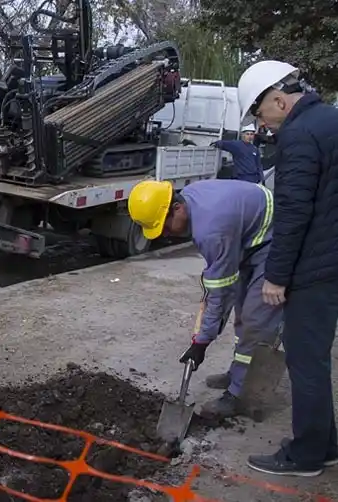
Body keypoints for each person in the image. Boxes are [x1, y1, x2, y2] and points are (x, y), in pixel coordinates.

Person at [236, 60, 338, 477]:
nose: (262, 124)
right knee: (315, 357)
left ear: (279, 100)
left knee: (306, 360)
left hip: (317, 264)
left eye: (260, 114)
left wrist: (276, 276)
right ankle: (326, 445)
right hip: (332, 256)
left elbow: (293, 211)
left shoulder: (298, 134)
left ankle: (306, 456)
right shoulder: (329, 119)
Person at [127, 178, 282, 419]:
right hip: (249, 237)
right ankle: (239, 372)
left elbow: (220, 295)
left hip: (276, 241)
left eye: (165, 226)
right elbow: (221, 286)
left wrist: (202, 342)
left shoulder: (211, 230)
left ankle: (240, 395)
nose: (165, 234)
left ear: (177, 208)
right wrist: (204, 335)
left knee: (255, 320)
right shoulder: (190, 197)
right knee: (242, 312)